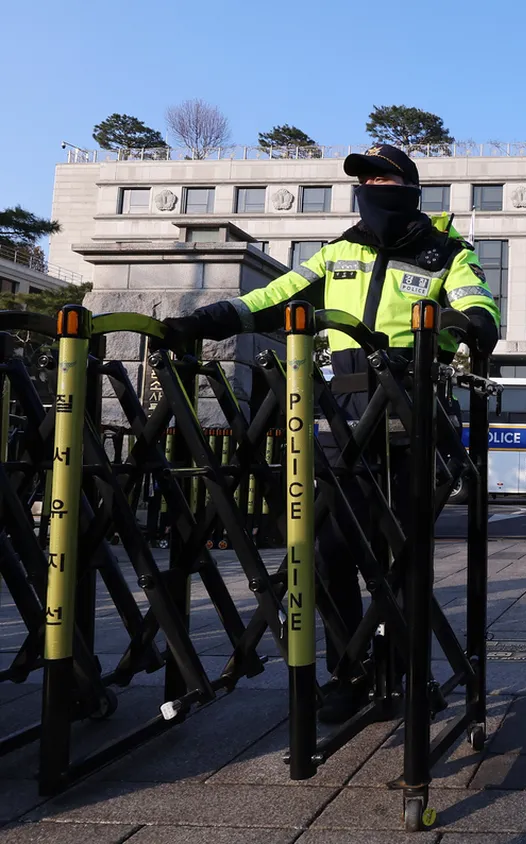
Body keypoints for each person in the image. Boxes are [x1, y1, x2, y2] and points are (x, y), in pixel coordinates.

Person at [164, 144, 501, 722]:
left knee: (403, 556)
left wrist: (471, 324)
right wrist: (205, 320)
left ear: (408, 186)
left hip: (411, 413)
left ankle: (403, 666)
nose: (370, 185)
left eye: (380, 176)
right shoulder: (337, 252)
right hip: (343, 417)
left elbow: (478, 307)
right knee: (332, 550)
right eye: (363, 179)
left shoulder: (447, 252)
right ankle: (349, 668)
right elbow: (272, 298)